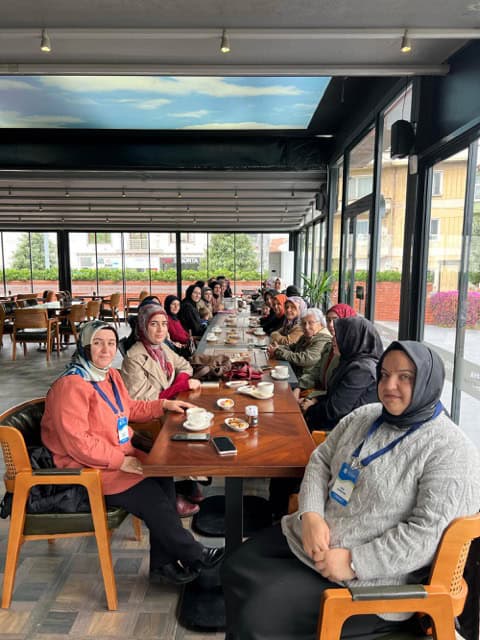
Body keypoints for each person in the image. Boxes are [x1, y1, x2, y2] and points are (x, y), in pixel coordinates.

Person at [221, 341, 480, 640]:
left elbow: (425, 535)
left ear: (427, 382)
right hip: (312, 540)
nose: (389, 386)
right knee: (236, 564)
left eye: (405, 377)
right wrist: (311, 515)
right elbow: (320, 460)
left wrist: (353, 562)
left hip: (370, 582)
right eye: (384, 374)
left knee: (257, 614)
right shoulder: (366, 416)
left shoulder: (450, 450)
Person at [41, 320, 224, 586]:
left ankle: (162, 565)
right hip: (86, 468)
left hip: (114, 455)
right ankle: (196, 554)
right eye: (98, 343)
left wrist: (164, 405)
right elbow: (78, 444)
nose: (106, 350)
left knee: (163, 476)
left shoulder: (110, 376)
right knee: (152, 497)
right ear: (85, 346)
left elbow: (129, 409)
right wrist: (121, 461)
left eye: (111, 343)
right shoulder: (71, 386)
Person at [120, 303, 202, 517]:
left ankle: (187, 482)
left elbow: (185, 365)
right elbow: (140, 400)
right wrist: (179, 388)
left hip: (166, 407)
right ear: (142, 326)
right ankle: (175, 492)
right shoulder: (134, 358)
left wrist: (180, 383)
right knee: (187, 424)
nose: (160, 330)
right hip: (148, 417)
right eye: (154, 324)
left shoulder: (162, 349)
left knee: (198, 415)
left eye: (164, 324)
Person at [302, 316, 382, 431]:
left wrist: (310, 409)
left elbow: (336, 409)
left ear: (352, 339)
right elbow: (335, 395)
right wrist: (316, 400)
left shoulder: (362, 370)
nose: (333, 339)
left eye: (339, 336)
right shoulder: (349, 360)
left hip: (342, 431)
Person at [295, 303, 357, 400]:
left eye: (335, 319)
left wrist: (313, 399)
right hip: (318, 394)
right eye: (328, 320)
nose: (331, 324)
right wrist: (298, 387)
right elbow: (315, 372)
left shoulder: (352, 353)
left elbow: (339, 392)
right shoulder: (329, 346)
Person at [268, 308, 331, 379]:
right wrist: (277, 348)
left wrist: (277, 351)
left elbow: (305, 359)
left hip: (307, 380)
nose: (306, 327)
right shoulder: (306, 336)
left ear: (321, 323)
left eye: (311, 323)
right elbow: (293, 347)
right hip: (296, 373)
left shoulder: (323, 339)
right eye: (304, 323)